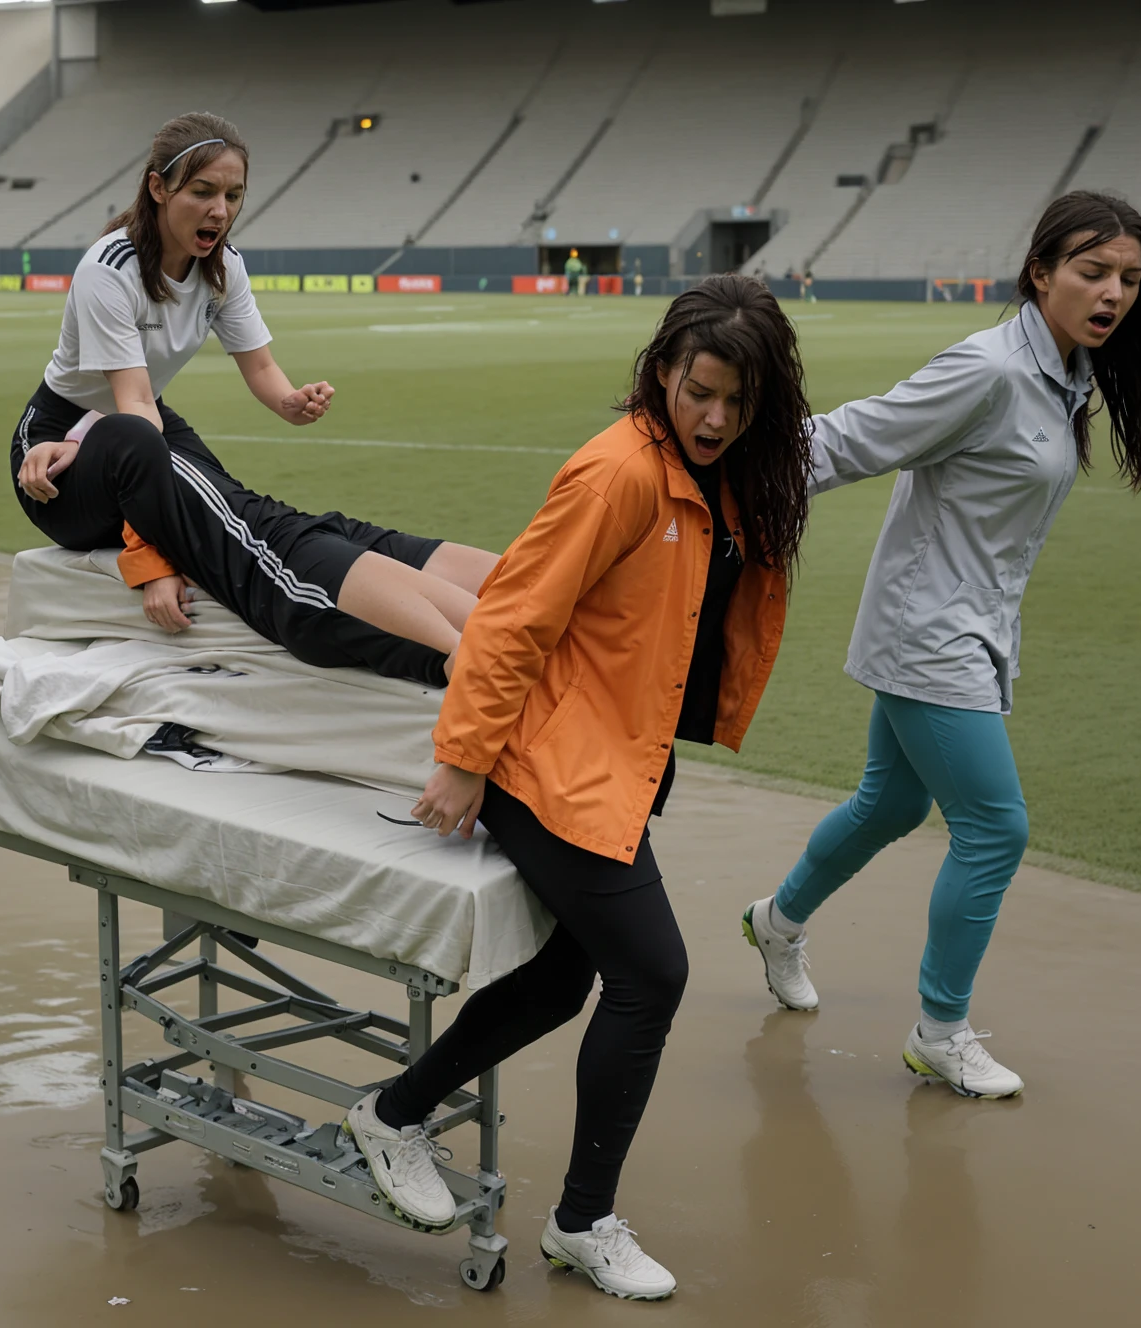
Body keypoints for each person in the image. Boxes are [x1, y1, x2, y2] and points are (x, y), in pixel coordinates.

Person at [342, 275, 812, 1300]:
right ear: (662, 373)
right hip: (543, 761)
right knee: (654, 973)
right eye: (698, 391)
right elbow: (510, 618)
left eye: (737, 400)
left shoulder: (725, 471)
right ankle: (578, 1216)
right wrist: (462, 758)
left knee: (567, 976)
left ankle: (393, 1112)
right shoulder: (618, 476)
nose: (716, 418)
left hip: (613, 756)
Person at [742, 192, 1141, 1099]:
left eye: (1129, 278)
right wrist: (720, 484)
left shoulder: (1068, 372)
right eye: (1093, 271)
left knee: (889, 806)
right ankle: (941, 1028)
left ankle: (777, 922)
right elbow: (848, 439)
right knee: (996, 828)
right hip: (927, 631)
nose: (1113, 293)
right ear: (1041, 271)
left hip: (972, 627)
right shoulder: (988, 370)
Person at [13, 112, 496, 688]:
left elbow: (261, 366)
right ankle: (443, 644)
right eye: (203, 191)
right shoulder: (110, 267)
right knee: (214, 506)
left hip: (137, 427)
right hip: (60, 448)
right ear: (158, 188)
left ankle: (489, 597)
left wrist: (291, 401)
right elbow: (133, 406)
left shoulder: (224, 268)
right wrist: (153, 560)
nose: (221, 209)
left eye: (234, 194)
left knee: (253, 516)